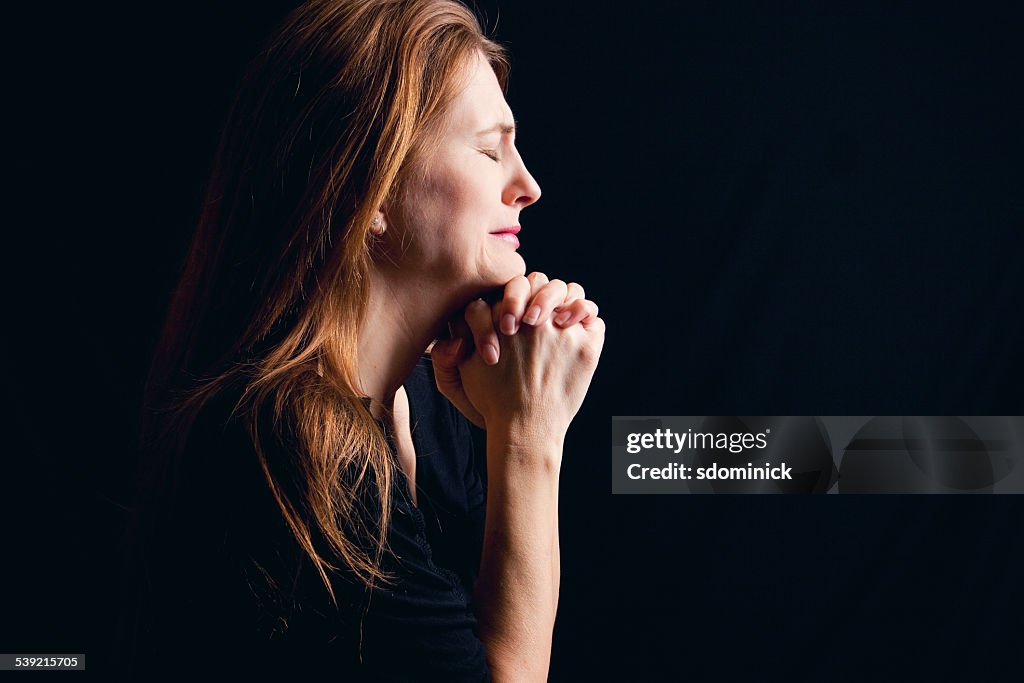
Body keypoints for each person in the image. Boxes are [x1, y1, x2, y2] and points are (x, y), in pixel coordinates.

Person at [114, 0, 604, 680]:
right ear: (370, 190)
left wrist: (503, 423)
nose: (529, 185)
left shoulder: (431, 404)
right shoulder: (286, 440)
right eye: (491, 150)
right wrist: (529, 439)